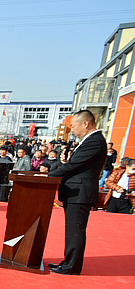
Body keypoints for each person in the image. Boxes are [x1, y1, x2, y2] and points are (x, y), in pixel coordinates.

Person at [45, 111, 107, 275]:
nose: (71, 129)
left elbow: (73, 165)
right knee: (71, 230)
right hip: (75, 192)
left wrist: (49, 175)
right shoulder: (88, 141)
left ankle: (71, 266)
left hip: (80, 193)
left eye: (73, 125)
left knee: (75, 230)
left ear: (85, 124)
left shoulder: (95, 141)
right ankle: (68, 261)